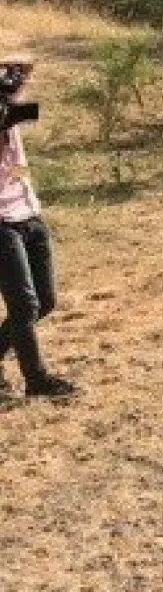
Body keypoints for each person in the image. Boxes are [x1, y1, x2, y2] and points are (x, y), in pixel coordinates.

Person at [0, 55, 74, 399]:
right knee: (25, 306)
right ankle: (37, 380)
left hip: (28, 210)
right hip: (2, 223)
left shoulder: (7, 104)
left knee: (45, 301)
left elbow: (24, 100)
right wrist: (12, 81)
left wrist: (16, 70)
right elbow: (20, 110)